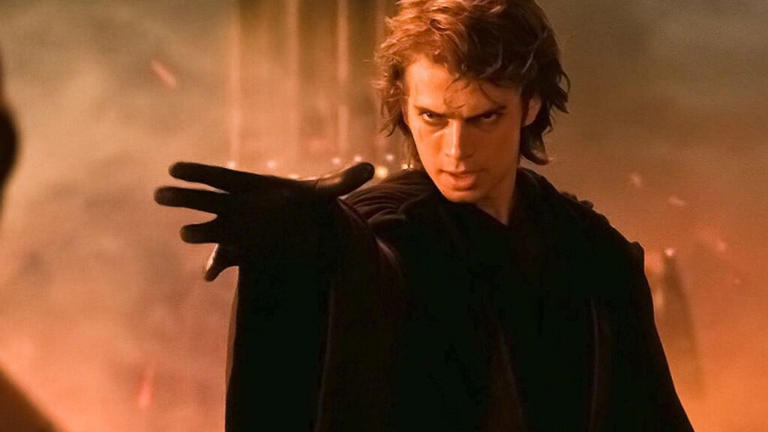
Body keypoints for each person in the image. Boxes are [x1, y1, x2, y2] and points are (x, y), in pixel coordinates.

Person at [156, 0, 694, 430]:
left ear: (530, 106)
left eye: (484, 117)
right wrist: (307, 246)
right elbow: (375, 262)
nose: (456, 150)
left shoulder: (589, 246)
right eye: (433, 118)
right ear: (404, 109)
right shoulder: (385, 225)